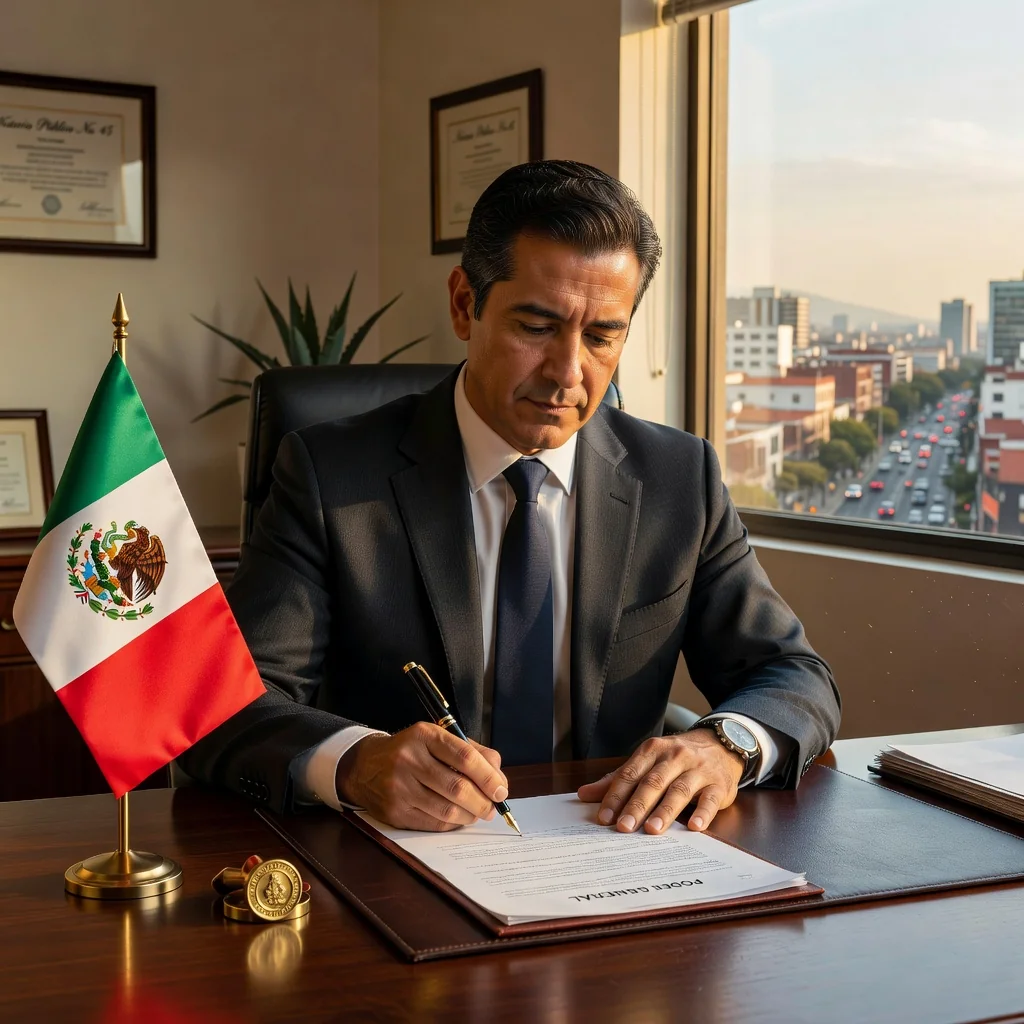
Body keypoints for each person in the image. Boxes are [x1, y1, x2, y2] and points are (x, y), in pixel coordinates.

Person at [179, 160, 840, 837]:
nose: (567, 373)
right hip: (400, 858)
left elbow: (793, 674)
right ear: (466, 304)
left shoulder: (678, 477)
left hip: (615, 854)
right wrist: (355, 763)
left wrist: (723, 746)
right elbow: (226, 708)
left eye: (602, 336)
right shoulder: (331, 474)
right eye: (536, 326)